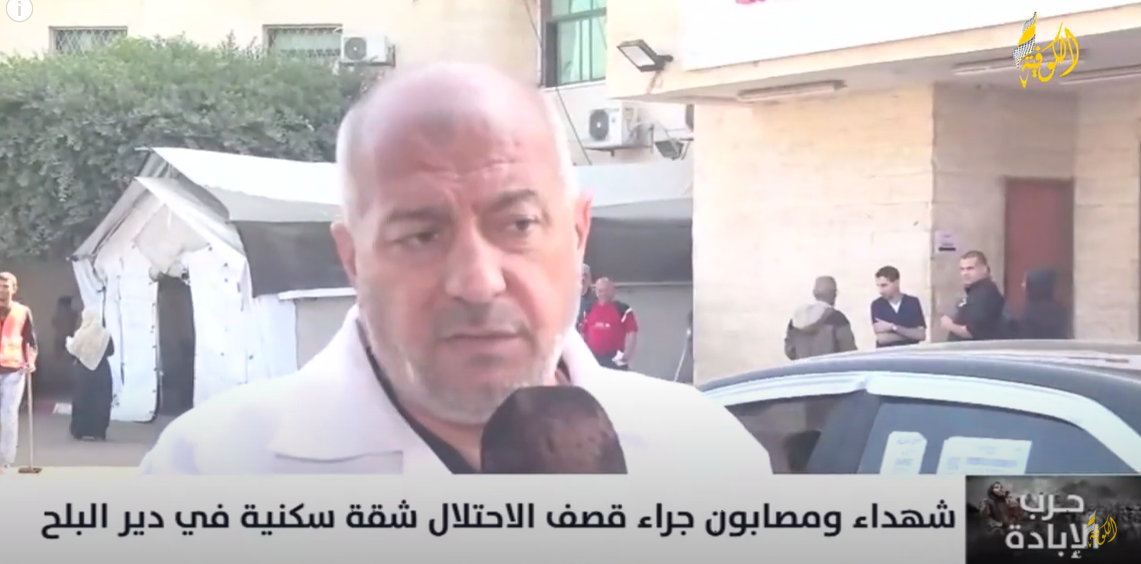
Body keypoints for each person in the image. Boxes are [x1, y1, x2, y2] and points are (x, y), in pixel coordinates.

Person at [138, 62, 773, 475]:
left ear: (578, 234)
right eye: (421, 235)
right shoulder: (207, 471)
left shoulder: (705, 455)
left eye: (518, 225)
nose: (477, 282)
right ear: (354, 259)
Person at [0, 272, 37, 471]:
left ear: (14, 289)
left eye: (6, 286)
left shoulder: (23, 312)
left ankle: (5, 459)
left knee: (8, 414)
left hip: (14, 369)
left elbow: (30, 341)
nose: (2, 290)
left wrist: (31, 361)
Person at [66, 310, 116, 441]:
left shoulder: (81, 333)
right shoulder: (105, 334)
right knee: (101, 401)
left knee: (82, 400)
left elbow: (73, 350)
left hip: (83, 373)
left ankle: (79, 431)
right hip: (102, 372)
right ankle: (99, 431)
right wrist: (98, 354)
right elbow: (111, 351)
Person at [784, 276, 856, 360]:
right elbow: (849, 352)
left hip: (803, 367)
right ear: (833, 294)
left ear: (814, 294)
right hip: (830, 367)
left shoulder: (796, 319)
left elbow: (789, 351)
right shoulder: (837, 319)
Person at [941, 251, 1006, 341]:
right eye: (962, 269)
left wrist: (949, 325)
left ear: (984, 269)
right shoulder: (974, 292)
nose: (965, 273)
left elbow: (972, 332)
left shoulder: (984, 294)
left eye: (970, 268)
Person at [579, 277, 638, 370]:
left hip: (614, 360)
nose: (603, 294)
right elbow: (583, 333)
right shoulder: (588, 309)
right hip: (593, 359)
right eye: (600, 291)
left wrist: (627, 354)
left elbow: (632, 332)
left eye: (606, 290)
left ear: (613, 291)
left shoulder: (623, 309)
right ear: (596, 292)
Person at [870, 266, 926, 348]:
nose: (881, 291)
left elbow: (921, 335)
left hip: (909, 352)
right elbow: (882, 338)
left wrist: (892, 327)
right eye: (878, 286)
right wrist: (910, 335)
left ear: (896, 283)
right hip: (886, 353)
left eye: (884, 285)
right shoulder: (877, 305)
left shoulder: (912, 302)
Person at [1017, 268, 1070, 339]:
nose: (1023, 285)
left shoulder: (1030, 312)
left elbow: (1026, 339)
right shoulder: (1062, 311)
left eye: (1026, 283)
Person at [576, 263, 595, 331]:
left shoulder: (597, 302)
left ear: (590, 280)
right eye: (579, 275)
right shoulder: (564, 301)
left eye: (585, 275)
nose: (582, 278)